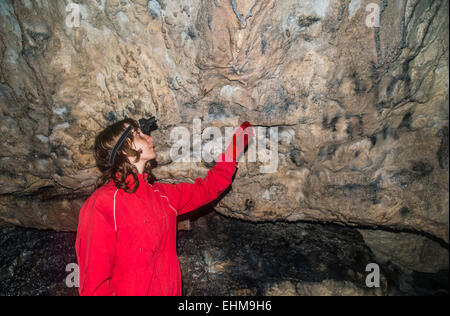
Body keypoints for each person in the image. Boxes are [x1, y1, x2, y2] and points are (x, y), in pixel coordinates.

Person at [75, 117, 254, 296]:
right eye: (138, 134)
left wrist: (235, 149)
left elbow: (208, 189)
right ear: (122, 149)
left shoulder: (161, 195)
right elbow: (93, 284)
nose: (149, 138)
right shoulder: (102, 203)